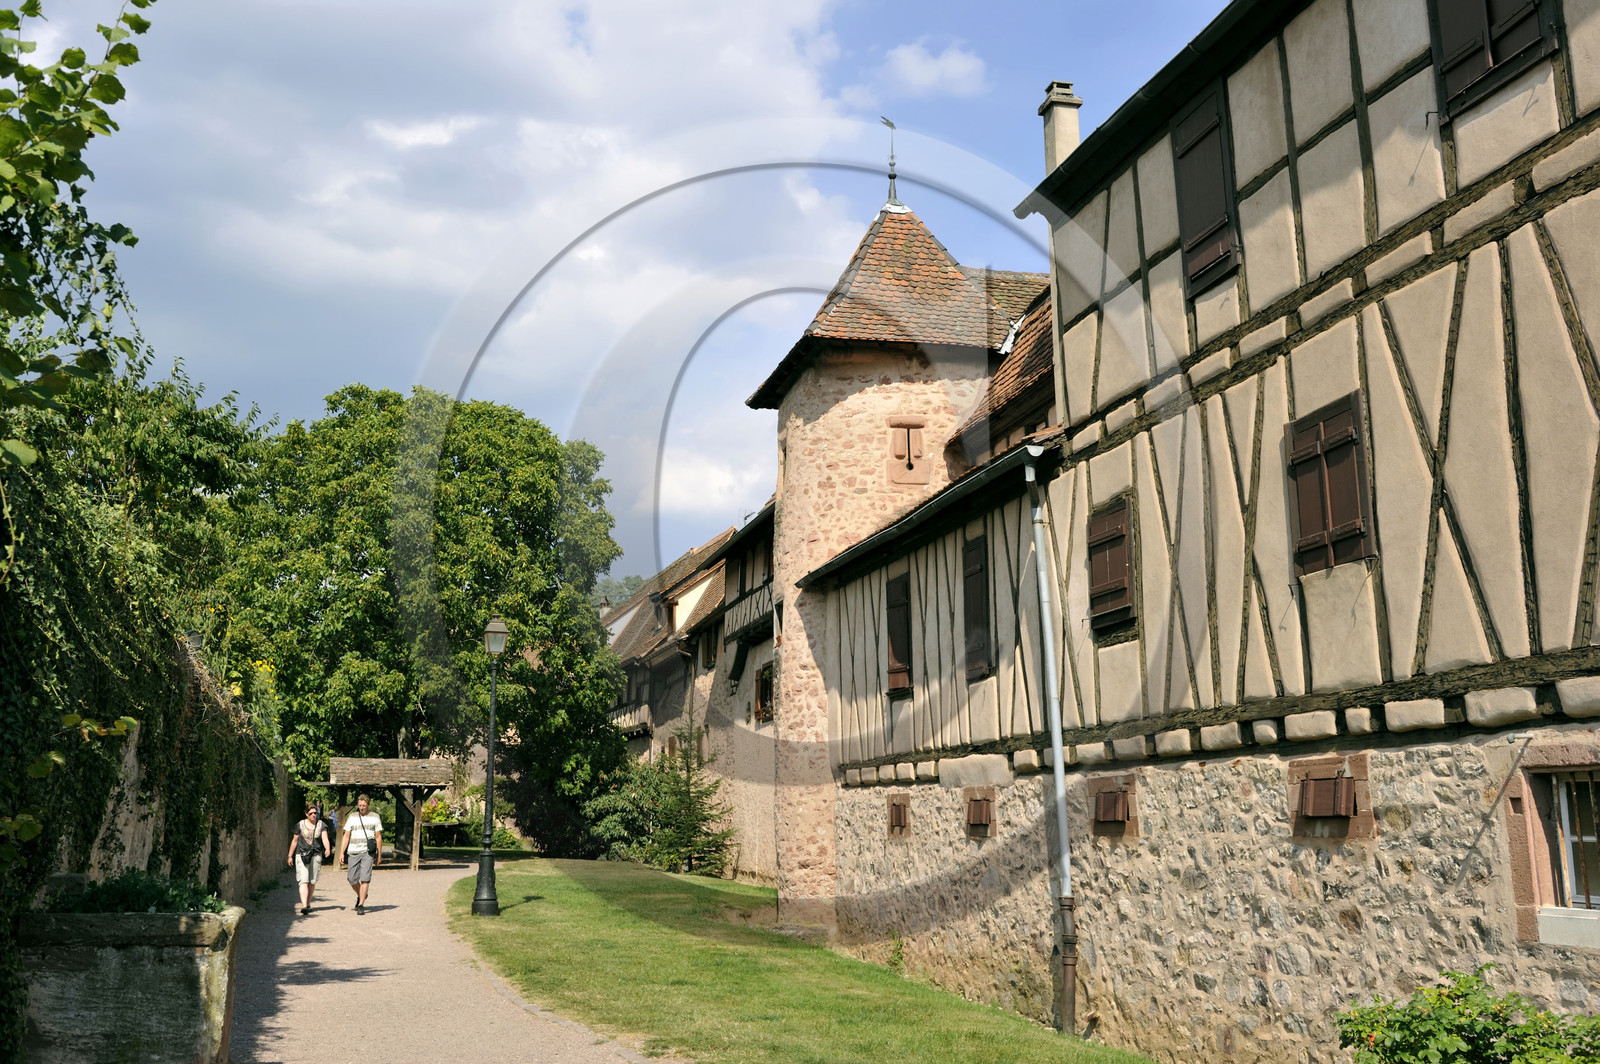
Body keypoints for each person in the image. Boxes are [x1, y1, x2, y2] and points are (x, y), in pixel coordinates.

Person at [338, 793, 383, 914]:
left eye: (364, 805)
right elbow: (346, 836)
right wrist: (341, 852)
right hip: (353, 851)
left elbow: (378, 837)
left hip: (368, 852)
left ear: (368, 805)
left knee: (365, 878)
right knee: (351, 878)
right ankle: (362, 894)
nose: (362, 807)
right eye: (360, 805)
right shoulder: (352, 817)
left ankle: (361, 904)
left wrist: (379, 854)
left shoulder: (375, 817)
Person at [285, 804, 331, 916]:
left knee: (312, 881)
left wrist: (327, 848)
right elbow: (294, 840)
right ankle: (304, 906)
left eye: (315, 813)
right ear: (306, 814)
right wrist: (290, 855)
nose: (314, 815)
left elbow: (325, 838)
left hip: (316, 855)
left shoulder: (321, 825)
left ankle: (308, 903)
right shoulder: (300, 825)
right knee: (303, 881)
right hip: (302, 854)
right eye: (311, 813)